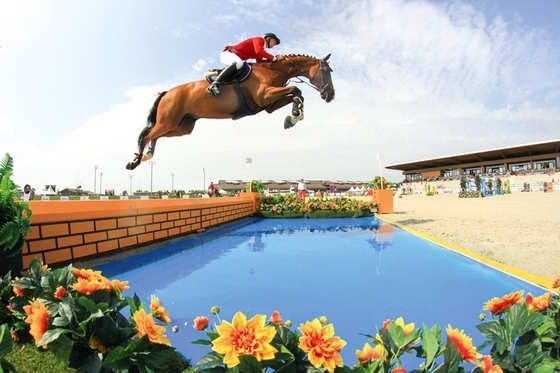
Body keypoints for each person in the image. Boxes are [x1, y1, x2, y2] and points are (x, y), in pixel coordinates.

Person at [206, 33, 284, 96]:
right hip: (228, 54)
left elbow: (260, 62)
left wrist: (276, 63)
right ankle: (215, 84)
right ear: (268, 38)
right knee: (239, 63)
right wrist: (274, 58)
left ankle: (218, 73)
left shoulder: (260, 48)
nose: (274, 44)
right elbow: (259, 52)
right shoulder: (259, 39)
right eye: (274, 41)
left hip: (233, 58)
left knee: (240, 68)